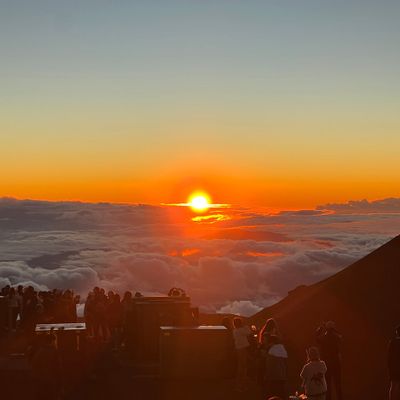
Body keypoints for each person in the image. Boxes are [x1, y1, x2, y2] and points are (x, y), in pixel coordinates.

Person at [316, 321, 343, 400]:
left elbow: (316, 337)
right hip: (336, 363)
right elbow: (341, 336)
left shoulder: (323, 338)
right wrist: (335, 330)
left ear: (326, 329)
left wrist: (320, 328)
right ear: (333, 328)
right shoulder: (336, 337)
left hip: (326, 364)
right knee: (338, 384)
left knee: (327, 384)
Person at [30, 333, 61, 400]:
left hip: (40, 379)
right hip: (50, 379)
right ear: (52, 341)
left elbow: (34, 365)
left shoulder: (40, 351)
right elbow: (57, 366)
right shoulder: (53, 352)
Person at [232, 317, 251, 391]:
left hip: (239, 349)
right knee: (243, 367)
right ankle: (241, 386)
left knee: (241, 366)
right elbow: (249, 332)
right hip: (242, 349)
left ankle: (239, 385)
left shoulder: (235, 330)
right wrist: (246, 326)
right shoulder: (241, 330)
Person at [388, 325, 400, 400]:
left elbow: (389, 357)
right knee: (397, 385)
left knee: (393, 385)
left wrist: (389, 367)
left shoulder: (392, 342)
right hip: (398, 367)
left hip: (393, 368)